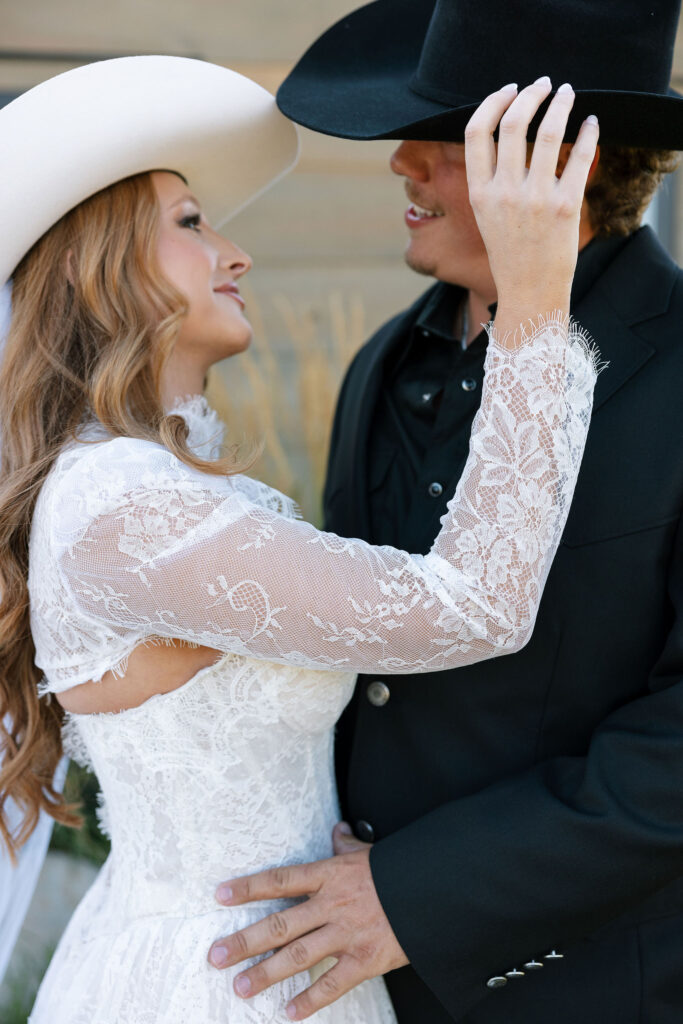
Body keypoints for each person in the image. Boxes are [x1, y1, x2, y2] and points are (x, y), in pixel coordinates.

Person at [0, 54, 599, 1024]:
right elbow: (474, 604)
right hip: (218, 984)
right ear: (87, 264)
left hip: (282, 962)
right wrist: (533, 300)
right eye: (191, 225)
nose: (235, 254)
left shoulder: (147, 489)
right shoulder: (124, 508)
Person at [202, 2, 683, 1023]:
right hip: (352, 989)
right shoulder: (385, 361)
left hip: (591, 988)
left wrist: (415, 895)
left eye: (449, 135)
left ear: (564, 166)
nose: (398, 164)